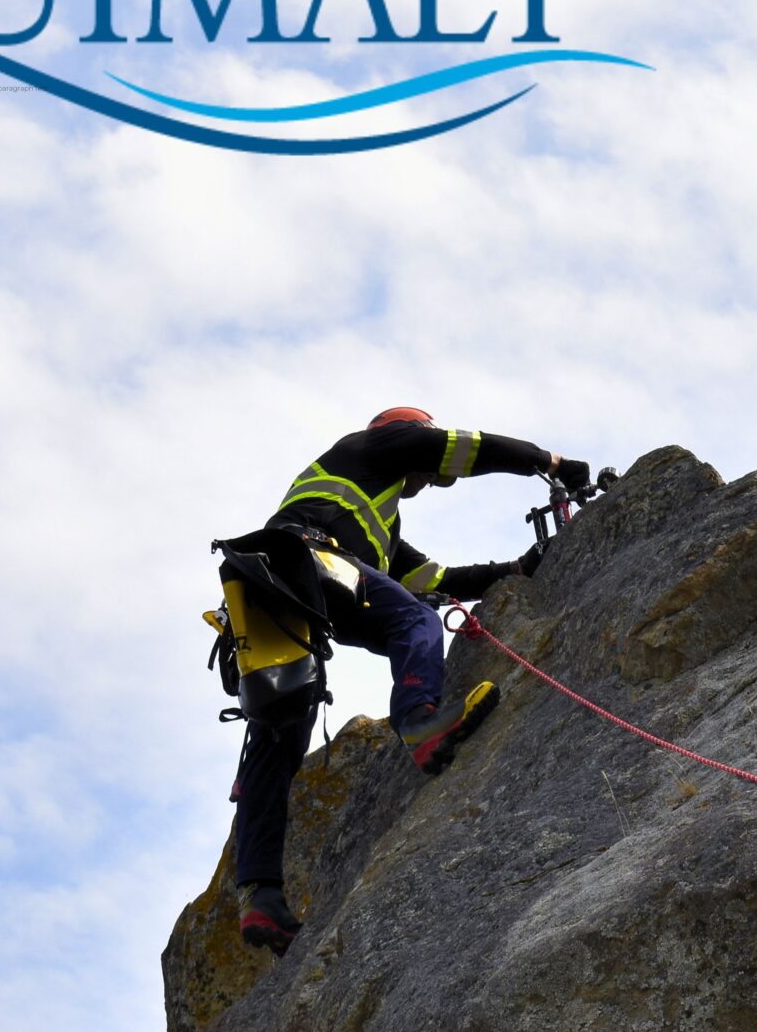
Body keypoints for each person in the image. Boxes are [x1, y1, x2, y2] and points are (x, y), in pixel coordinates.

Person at [231, 406, 590, 952]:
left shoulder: (374, 519)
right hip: (306, 559)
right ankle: (420, 722)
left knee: (278, 730)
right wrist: (551, 462)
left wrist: (518, 571)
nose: (428, 480)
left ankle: (261, 898)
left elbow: (435, 579)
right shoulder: (379, 445)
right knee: (413, 620)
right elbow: (469, 446)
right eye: (426, 466)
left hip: (272, 581)